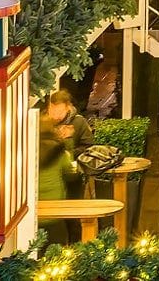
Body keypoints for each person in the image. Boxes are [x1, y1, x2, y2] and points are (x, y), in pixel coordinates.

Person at [43, 90, 93, 197]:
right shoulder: (43, 124)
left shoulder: (79, 122)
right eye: (53, 111)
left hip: (72, 174)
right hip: (48, 175)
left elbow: (88, 146)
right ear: (49, 107)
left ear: (68, 107)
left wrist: (69, 154)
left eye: (60, 112)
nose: (56, 116)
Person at [36, 115, 77, 243]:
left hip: (32, 208)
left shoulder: (25, 149)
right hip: (55, 208)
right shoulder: (59, 150)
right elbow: (71, 174)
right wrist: (69, 141)